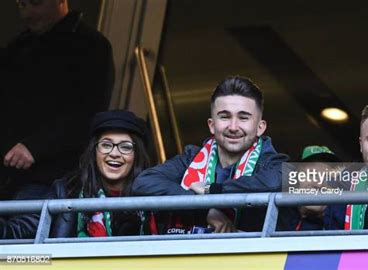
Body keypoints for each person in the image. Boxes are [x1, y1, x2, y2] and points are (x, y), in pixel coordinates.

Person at [132, 76, 288, 233]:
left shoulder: (271, 163)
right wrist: (204, 210)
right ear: (212, 125)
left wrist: (213, 190)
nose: (233, 127)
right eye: (225, 117)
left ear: (260, 127)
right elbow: (144, 182)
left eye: (243, 118)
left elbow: (302, 177)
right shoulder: (191, 158)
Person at [0, 0, 114, 200]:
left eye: (35, 4)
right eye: (22, 5)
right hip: (10, 175)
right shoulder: (17, 47)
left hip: (53, 177)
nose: (27, 13)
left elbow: (89, 114)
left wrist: (35, 147)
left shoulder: (91, 46)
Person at [49, 110, 155, 238]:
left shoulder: (152, 197)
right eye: (106, 145)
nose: (114, 153)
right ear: (94, 151)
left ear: (136, 155)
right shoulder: (66, 191)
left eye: (125, 147)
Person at [293, 146, 341, 231]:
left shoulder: (344, 226)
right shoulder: (276, 219)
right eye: (311, 175)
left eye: (327, 178)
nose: (319, 184)